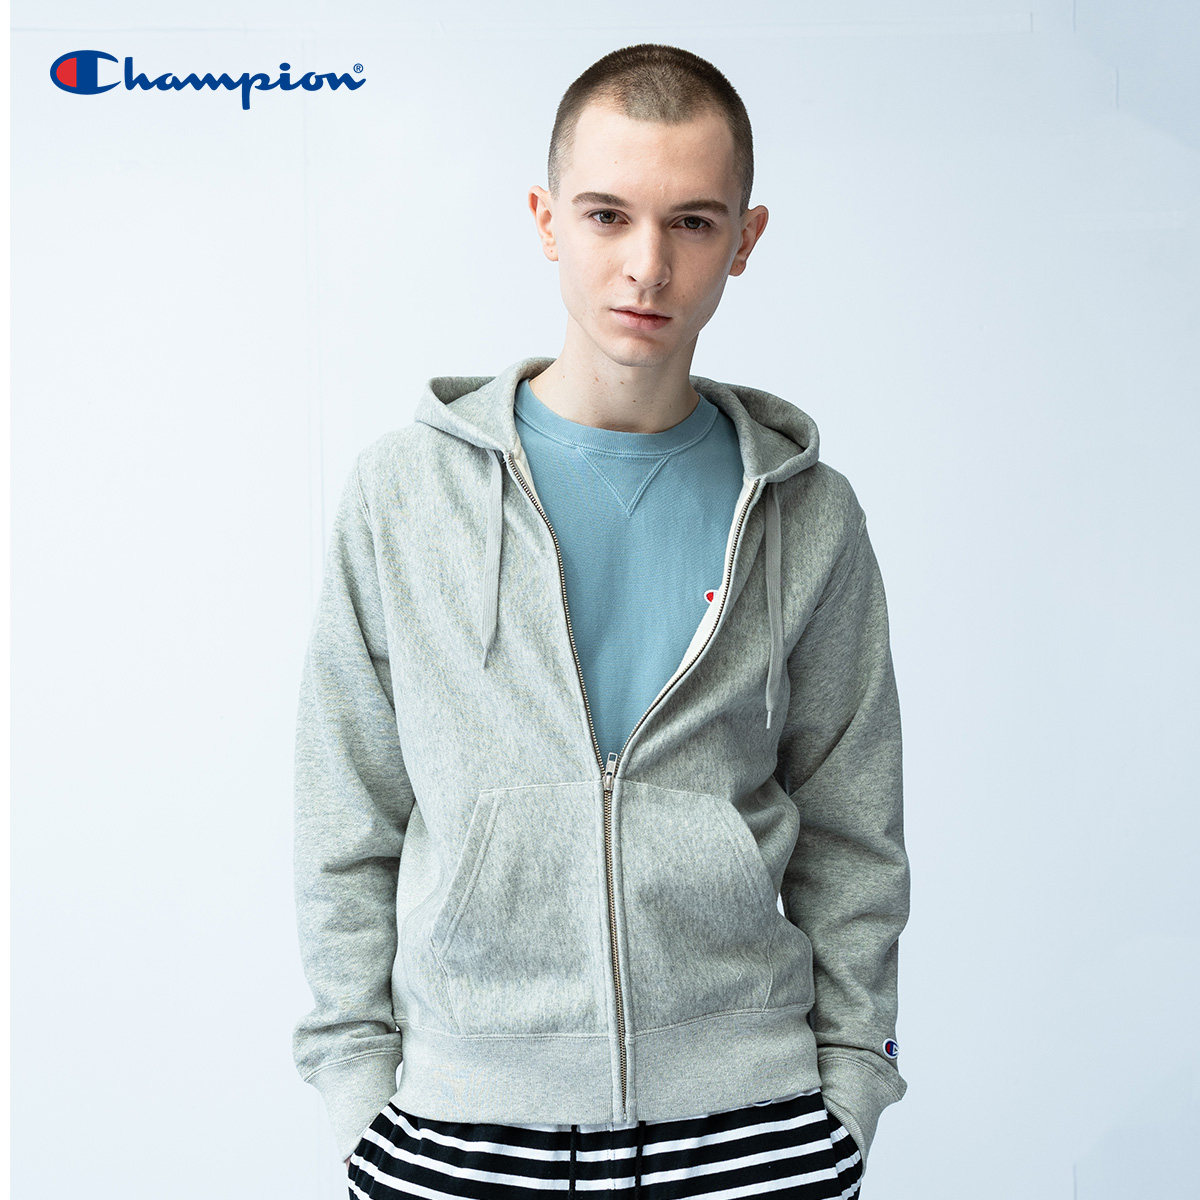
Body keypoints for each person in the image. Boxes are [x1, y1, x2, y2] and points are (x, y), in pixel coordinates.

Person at [292, 42, 910, 1200]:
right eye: (607, 214)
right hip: (460, 1128)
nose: (646, 265)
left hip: (756, 1132)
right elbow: (348, 813)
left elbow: (854, 833)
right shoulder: (404, 495)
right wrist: (355, 1091)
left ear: (745, 239)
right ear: (546, 220)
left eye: (691, 222)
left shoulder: (806, 513)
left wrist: (853, 1090)